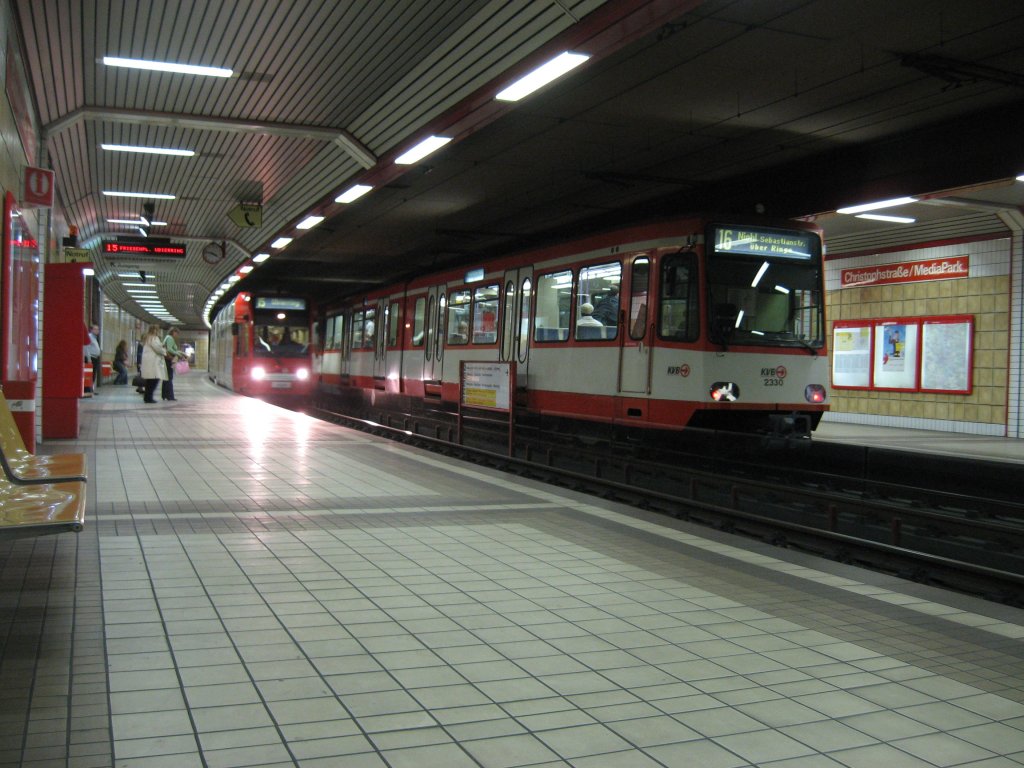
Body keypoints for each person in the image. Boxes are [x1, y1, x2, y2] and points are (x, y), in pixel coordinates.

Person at [139, 324, 167, 404]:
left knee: (150, 381)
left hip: (149, 362)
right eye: (157, 330)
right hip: (153, 362)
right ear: (154, 330)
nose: (157, 331)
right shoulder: (153, 338)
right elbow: (158, 349)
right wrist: (164, 350)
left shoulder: (147, 338)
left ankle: (147, 397)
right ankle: (149, 397)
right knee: (154, 380)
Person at [161, 327, 186, 401]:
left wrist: (179, 353)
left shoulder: (167, 337)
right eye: (177, 333)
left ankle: (164, 395)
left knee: (166, 378)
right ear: (173, 332)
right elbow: (169, 349)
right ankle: (170, 396)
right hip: (168, 360)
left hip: (165, 360)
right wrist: (178, 354)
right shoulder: (170, 338)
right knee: (169, 377)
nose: (177, 335)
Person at [84, 323, 101, 391]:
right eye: (95, 329)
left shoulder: (95, 338)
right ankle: (88, 388)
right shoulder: (89, 336)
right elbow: (86, 347)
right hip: (91, 358)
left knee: (94, 374)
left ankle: (91, 388)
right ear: (91, 330)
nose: (97, 331)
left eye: (98, 329)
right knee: (90, 374)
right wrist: (88, 358)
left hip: (95, 358)